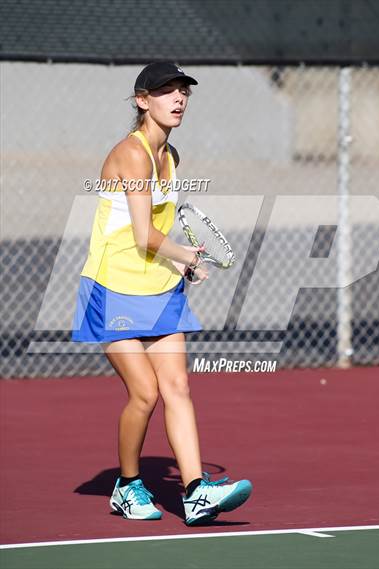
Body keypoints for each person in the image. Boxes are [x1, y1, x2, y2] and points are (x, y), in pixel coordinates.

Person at [71, 62, 252, 525]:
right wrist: (185, 255)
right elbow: (141, 234)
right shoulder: (131, 155)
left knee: (178, 388)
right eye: (166, 92)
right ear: (142, 101)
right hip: (113, 289)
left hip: (158, 287)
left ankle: (195, 492)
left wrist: (178, 263)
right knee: (145, 393)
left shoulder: (172, 157)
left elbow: (162, 231)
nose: (178, 99)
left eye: (183, 92)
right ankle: (127, 486)